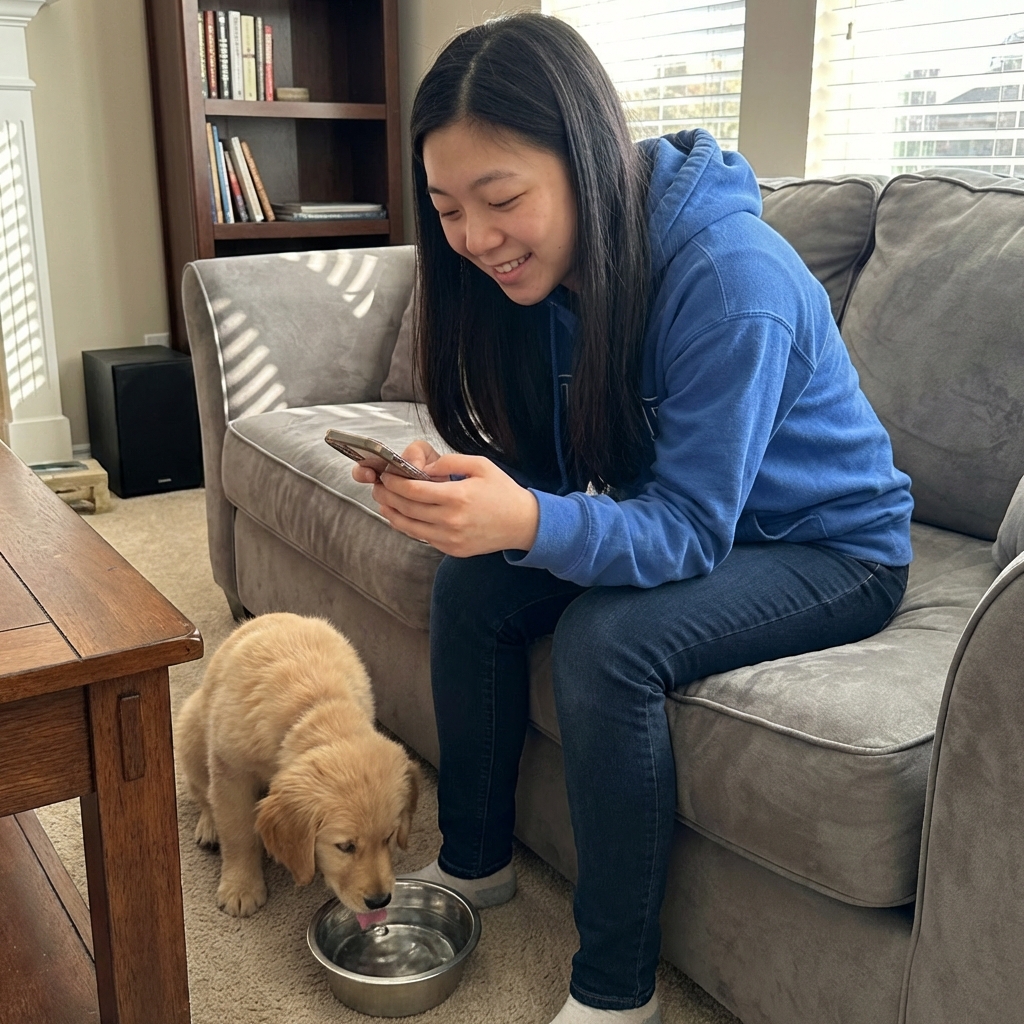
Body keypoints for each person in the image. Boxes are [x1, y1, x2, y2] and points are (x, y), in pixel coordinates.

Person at [351, 12, 913, 1024]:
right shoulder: (548, 277)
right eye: (445, 207)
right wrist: (473, 493)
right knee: (474, 584)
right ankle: (473, 865)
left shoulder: (728, 278)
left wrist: (531, 517)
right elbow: (572, 474)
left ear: (588, 158)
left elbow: (690, 530)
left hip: (826, 545)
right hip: (707, 519)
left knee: (607, 642)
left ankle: (616, 990)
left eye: (501, 199)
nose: (474, 238)